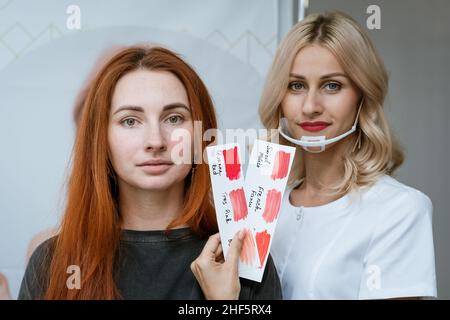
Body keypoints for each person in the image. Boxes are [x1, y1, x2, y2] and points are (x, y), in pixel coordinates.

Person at [18, 45, 281, 300]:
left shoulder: (242, 259)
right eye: (130, 121)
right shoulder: (51, 263)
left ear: (201, 134)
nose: (155, 141)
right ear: (101, 139)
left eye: (174, 118)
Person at [259, 11, 436, 299]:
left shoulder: (399, 210)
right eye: (296, 85)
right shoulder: (265, 205)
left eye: (332, 85)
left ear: (362, 96)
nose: (311, 106)